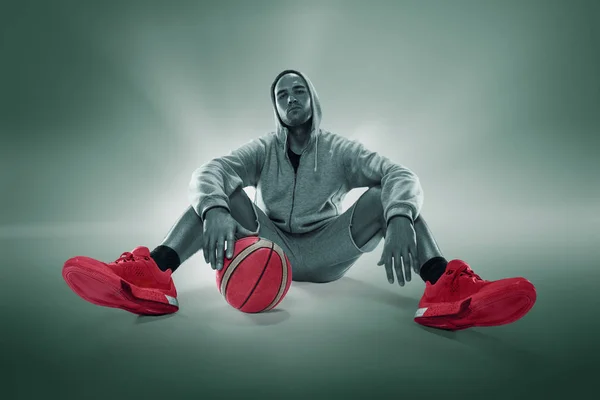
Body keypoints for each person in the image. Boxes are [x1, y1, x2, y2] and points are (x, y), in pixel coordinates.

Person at [62, 69, 537, 330]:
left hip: (330, 250)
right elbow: (212, 170)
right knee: (216, 190)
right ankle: (155, 276)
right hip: (272, 245)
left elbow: (400, 174)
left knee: (389, 195)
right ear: (275, 109)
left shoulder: (339, 151)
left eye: (299, 90)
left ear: (312, 100)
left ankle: (443, 287)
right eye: (282, 94)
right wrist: (215, 209)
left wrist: (397, 220)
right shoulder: (263, 149)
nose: (292, 97)